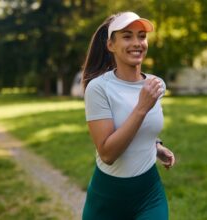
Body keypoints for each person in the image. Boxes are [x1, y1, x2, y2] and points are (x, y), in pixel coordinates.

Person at [81, 11, 175, 220]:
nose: (137, 42)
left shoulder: (156, 85)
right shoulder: (98, 88)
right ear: (110, 45)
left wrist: (156, 146)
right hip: (107, 198)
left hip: (149, 194)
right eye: (127, 36)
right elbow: (107, 154)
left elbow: (144, 128)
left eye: (141, 36)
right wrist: (142, 107)